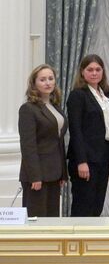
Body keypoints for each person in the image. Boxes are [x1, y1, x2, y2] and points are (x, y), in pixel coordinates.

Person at [66, 54, 109, 217]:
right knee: (84, 206)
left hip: (102, 159)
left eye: (98, 69)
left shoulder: (106, 95)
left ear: (103, 72)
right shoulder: (77, 95)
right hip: (85, 161)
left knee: (97, 206)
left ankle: (90, 242)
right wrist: (82, 161)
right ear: (82, 72)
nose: (94, 73)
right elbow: (76, 131)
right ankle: (77, 241)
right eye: (90, 70)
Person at [18, 64, 67, 217]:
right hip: (37, 175)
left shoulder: (55, 107)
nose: (48, 83)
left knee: (52, 220)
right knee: (37, 221)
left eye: (51, 79)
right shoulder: (28, 109)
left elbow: (59, 142)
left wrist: (63, 173)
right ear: (34, 84)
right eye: (42, 79)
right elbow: (28, 146)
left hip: (54, 173)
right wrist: (35, 176)